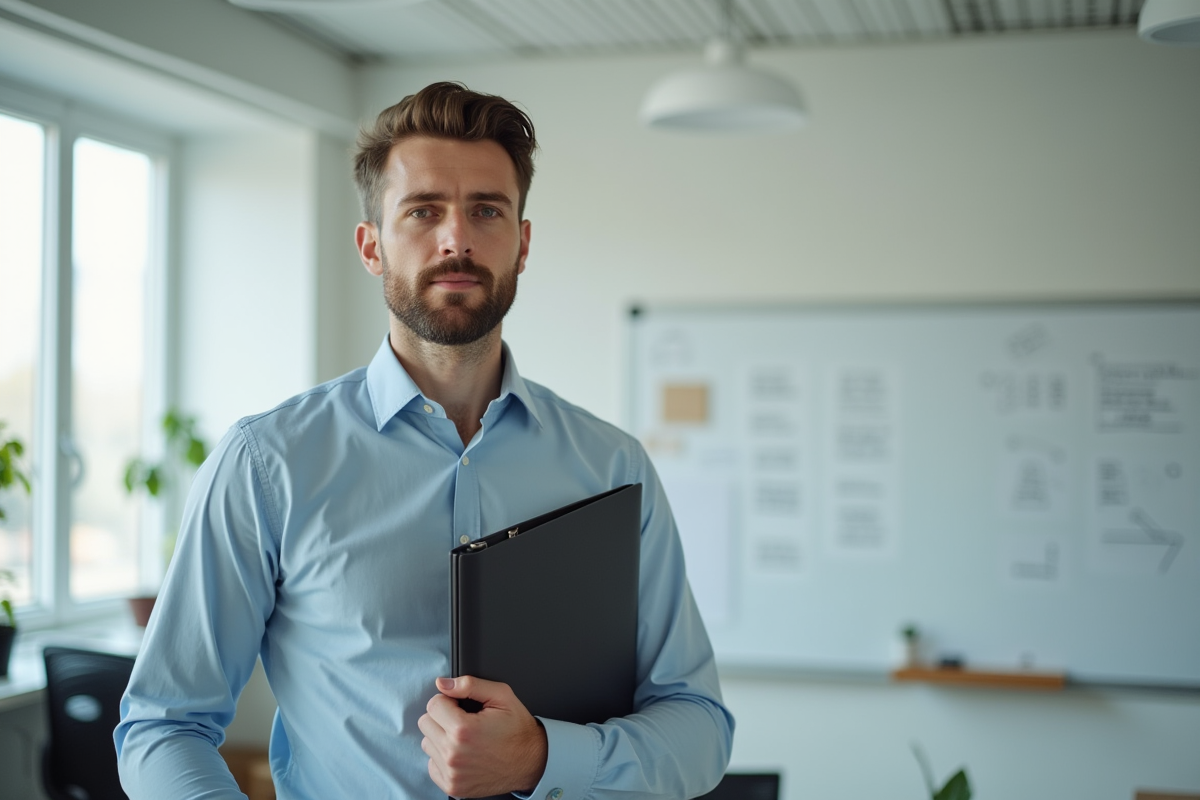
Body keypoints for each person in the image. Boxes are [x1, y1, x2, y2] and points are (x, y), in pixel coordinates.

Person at [116, 81, 734, 800]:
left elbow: (698, 726)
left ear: (523, 244)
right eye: (423, 211)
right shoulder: (268, 463)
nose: (457, 239)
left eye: (486, 210)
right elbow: (163, 725)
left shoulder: (612, 468)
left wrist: (542, 758)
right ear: (370, 246)